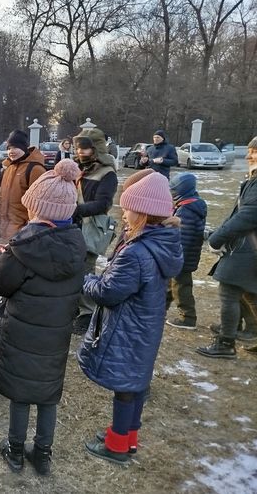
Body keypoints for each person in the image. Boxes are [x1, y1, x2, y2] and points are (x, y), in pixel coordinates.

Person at [78, 172, 183, 465]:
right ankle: (127, 436)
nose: (122, 213)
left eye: (127, 208)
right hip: (146, 324)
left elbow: (108, 292)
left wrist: (86, 280)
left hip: (128, 326)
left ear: (141, 213)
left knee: (125, 386)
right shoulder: (162, 241)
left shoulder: (136, 253)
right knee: (136, 382)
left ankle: (117, 447)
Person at [0, 159, 86, 476]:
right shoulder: (76, 245)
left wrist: (4, 258)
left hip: (22, 334)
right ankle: (42, 455)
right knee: (47, 396)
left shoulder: (24, 246)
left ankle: (15, 452)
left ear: (36, 208)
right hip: (55, 336)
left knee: (21, 396)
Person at [197, 136, 257, 359]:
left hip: (247, 249)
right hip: (247, 248)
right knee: (251, 295)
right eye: (249, 150)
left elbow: (248, 216)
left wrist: (217, 239)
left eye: (254, 152)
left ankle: (226, 343)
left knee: (229, 293)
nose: (248, 156)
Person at [71, 129, 118, 334]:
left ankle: (87, 313)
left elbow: (103, 204)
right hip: (72, 225)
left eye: (86, 147)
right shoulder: (78, 169)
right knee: (72, 269)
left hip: (90, 227)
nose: (81, 151)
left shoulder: (107, 174)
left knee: (85, 271)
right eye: (79, 147)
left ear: (96, 148)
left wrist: (75, 209)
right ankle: (73, 307)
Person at [165, 173, 207, 329]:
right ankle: (161, 309)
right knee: (172, 284)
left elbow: (182, 238)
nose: (171, 193)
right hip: (183, 255)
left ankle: (188, 318)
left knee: (181, 286)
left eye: (173, 191)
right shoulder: (190, 204)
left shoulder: (186, 210)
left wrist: (174, 256)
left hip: (183, 256)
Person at [0, 129, 46, 242]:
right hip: (6, 230)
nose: (11, 151)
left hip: (25, 233)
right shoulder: (9, 168)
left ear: (24, 148)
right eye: (9, 148)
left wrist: (31, 228)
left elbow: (39, 204)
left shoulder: (35, 169)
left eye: (15, 147)